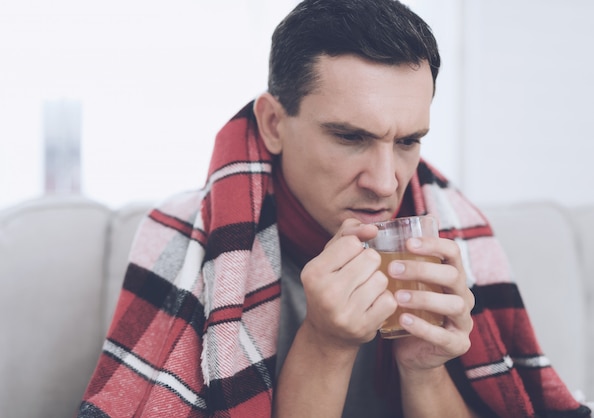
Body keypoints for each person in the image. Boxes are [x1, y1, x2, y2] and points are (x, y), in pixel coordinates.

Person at [78, 1, 591, 417]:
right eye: (350, 137)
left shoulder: (459, 233)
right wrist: (326, 344)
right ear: (274, 123)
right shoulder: (182, 239)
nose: (386, 181)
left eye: (409, 141)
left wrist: (426, 368)